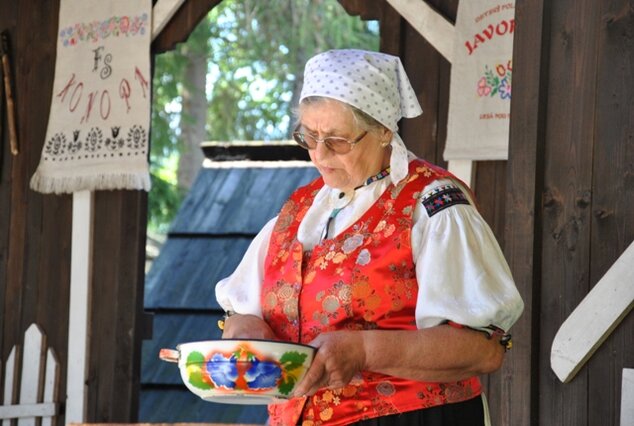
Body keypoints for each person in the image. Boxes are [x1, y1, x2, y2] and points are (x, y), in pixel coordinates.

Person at [215, 49, 524, 426]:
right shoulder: (298, 211)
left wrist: (362, 349)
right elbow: (241, 309)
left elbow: (482, 349)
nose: (318, 154)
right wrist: (246, 331)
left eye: (337, 140)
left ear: (383, 131)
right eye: (309, 136)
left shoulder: (432, 206)